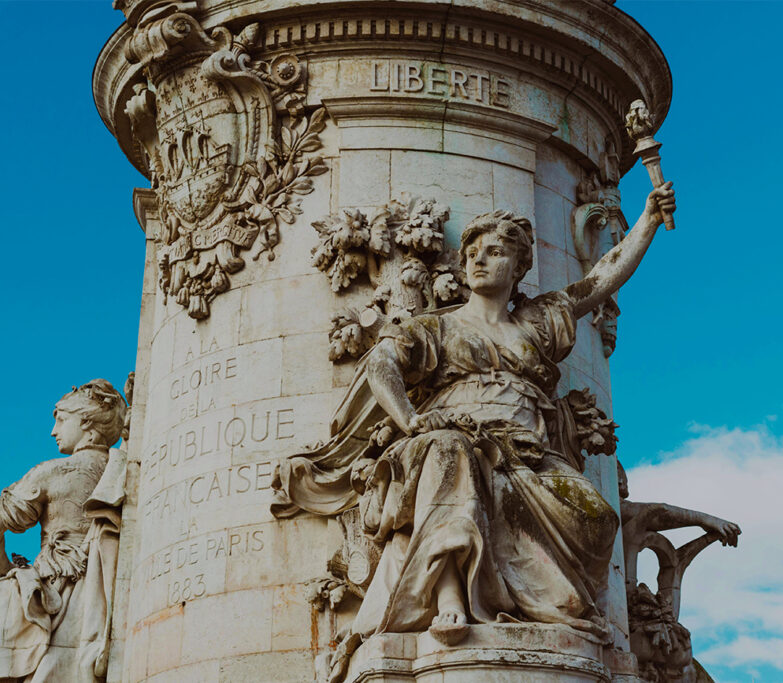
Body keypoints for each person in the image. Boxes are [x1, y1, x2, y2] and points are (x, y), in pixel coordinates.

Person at [273, 183, 676, 659]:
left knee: (598, 517)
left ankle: (550, 603)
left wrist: (648, 221)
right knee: (451, 453)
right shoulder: (437, 327)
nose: (479, 261)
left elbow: (601, 278)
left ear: (519, 266)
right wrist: (410, 420)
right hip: (456, 435)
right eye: (472, 254)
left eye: (495, 252)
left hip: (527, 452)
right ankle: (449, 594)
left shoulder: (539, 322)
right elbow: (381, 365)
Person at [0, 380, 128, 683]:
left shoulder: (52, 472)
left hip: (47, 592)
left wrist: (6, 572)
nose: (53, 431)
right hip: (103, 595)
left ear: (86, 422)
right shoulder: (126, 471)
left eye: (61, 419)